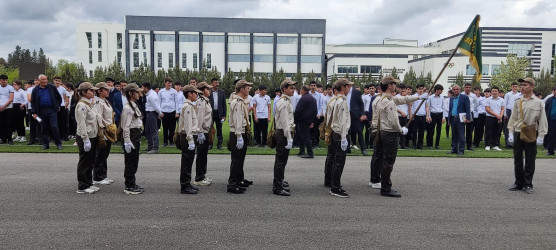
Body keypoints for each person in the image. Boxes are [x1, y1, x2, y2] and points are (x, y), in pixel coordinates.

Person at [372, 76, 420, 197]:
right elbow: (393, 120)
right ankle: (386, 188)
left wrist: (418, 97)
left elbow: (402, 99)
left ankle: (383, 184)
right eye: (394, 84)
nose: (396, 86)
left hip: (383, 132)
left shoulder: (382, 98)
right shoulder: (388, 101)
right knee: (388, 161)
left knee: (383, 159)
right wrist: (401, 130)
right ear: (389, 85)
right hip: (390, 133)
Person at [507, 78, 548, 194]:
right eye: (521, 85)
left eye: (525, 85)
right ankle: (518, 182)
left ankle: (528, 183)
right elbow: (513, 118)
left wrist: (541, 135)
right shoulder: (518, 101)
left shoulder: (538, 102)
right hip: (518, 131)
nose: (522, 87)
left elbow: (542, 120)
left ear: (532, 87)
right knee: (518, 158)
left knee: (530, 159)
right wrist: (510, 131)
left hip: (530, 132)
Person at [325, 78, 352, 198]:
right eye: (348, 86)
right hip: (340, 133)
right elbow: (342, 121)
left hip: (336, 132)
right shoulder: (341, 101)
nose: (349, 89)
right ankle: (335, 188)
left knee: (335, 160)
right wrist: (344, 137)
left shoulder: (337, 100)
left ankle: (334, 184)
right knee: (339, 161)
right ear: (342, 88)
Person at [74, 82, 101, 194]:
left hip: (92, 135)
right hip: (86, 136)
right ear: (84, 92)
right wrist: (85, 139)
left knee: (90, 161)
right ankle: (82, 185)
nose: (93, 92)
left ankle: (88, 182)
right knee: (84, 161)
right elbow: (82, 123)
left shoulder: (89, 104)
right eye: (91, 91)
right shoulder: (81, 105)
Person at [227, 80, 254, 194]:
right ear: (242, 89)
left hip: (240, 132)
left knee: (239, 160)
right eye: (247, 88)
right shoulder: (237, 102)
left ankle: (238, 181)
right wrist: (239, 136)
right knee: (236, 160)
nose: (249, 90)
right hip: (237, 132)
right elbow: (238, 121)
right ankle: (232, 184)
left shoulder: (240, 101)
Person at [177, 85, 203, 194]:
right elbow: (187, 125)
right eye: (195, 93)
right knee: (187, 161)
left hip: (190, 136)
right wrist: (190, 139)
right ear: (189, 94)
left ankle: (187, 182)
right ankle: (184, 185)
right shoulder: (188, 106)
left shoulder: (190, 106)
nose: (196, 95)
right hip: (188, 136)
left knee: (189, 161)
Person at [272, 80, 296, 196]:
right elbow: (285, 122)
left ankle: (280, 181)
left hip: (283, 133)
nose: (293, 90)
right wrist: (289, 137)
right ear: (284, 89)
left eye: (293, 88)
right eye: (291, 88)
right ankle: (277, 187)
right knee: (281, 161)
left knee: (282, 160)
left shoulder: (286, 101)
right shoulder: (284, 103)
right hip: (283, 133)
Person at [121, 83, 145, 195]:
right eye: (137, 92)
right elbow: (125, 126)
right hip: (131, 134)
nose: (139, 94)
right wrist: (127, 141)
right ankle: (129, 185)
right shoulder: (127, 108)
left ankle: (132, 182)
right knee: (130, 161)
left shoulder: (133, 105)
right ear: (130, 93)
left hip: (135, 134)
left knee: (134, 160)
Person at [31, 74, 63, 150]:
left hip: (52, 110)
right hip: (41, 111)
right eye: (43, 79)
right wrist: (34, 112)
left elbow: (58, 97)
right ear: (39, 81)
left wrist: (57, 105)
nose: (45, 81)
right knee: (44, 128)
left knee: (54, 126)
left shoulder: (52, 87)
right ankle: (46, 144)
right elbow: (33, 102)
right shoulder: (35, 90)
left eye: (46, 79)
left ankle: (58, 143)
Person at [93, 82, 115, 185]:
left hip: (109, 129)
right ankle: (97, 177)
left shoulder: (105, 101)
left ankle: (103, 175)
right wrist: (102, 132)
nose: (108, 91)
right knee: (101, 154)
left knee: (105, 154)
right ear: (99, 91)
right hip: (104, 130)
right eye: (105, 90)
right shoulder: (98, 102)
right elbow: (99, 118)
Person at [193, 82, 213, 186]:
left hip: (206, 131)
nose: (209, 91)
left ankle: (202, 175)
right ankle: (199, 177)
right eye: (207, 89)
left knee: (204, 154)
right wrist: (200, 131)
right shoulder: (200, 101)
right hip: (202, 131)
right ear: (202, 91)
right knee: (201, 154)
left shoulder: (205, 100)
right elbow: (200, 117)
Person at [294, 85, 317, 158]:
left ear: (303, 90)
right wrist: (312, 121)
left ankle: (310, 152)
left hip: (302, 120)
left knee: (305, 136)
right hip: (309, 120)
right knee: (302, 136)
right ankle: (302, 150)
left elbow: (298, 110)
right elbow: (315, 111)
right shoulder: (313, 99)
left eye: (301, 90)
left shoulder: (303, 98)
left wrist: (295, 118)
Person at [447, 84, 471, 155]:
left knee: (461, 135)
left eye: (457, 89)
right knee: (454, 135)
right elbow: (450, 109)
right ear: (452, 90)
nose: (455, 91)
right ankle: (454, 149)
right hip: (453, 118)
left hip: (461, 118)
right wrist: (449, 119)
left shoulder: (464, 97)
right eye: (454, 89)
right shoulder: (451, 98)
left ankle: (461, 150)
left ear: (459, 90)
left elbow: (468, 108)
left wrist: (468, 118)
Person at [158, 77, 180, 147]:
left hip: (172, 111)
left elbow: (177, 102)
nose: (169, 84)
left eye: (170, 83)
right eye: (168, 83)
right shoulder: (161, 92)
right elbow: (159, 102)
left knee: (172, 128)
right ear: (165, 83)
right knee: (165, 128)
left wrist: (177, 112)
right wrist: (159, 112)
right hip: (164, 111)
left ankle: (171, 141)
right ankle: (165, 142)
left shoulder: (174, 91)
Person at [349, 81, 367, 155]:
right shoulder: (342, 91)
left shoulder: (356, 92)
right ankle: (347, 148)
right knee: (346, 132)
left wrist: (362, 114)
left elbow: (361, 104)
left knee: (359, 132)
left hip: (355, 115)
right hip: (346, 114)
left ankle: (363, 148)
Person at [484, 86, 505, 151]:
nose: (494, 92)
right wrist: (496, 115)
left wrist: (500, 116)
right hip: (490, 117)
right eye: (493, 91)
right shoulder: (488, 100)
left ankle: (495, 145)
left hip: (498, 118)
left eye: (496, 91)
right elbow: (487, 109)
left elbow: (503, 109)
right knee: (488, 131)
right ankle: (487, 145)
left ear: (498, 92)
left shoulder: (502, 100)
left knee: (497, 132)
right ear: (491, 92)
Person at [143, 82, 161, 154]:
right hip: (149, 113)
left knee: (153, 130)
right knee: (148, 130)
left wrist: (160, 112)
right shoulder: (150, 94)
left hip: (152, 113)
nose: (142, 89)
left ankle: (155, 147)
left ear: (146, 88)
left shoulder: (151, 95)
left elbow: (155, 105)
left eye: (142, 87)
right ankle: (150, 146)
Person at [209, 78, 226, 150]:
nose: (217, 84)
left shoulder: (222, 92)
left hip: (219, 114)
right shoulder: (208, 92)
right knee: (210, 129)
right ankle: (210, 144)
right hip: (211, 114)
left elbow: (224, 105)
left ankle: (219, 144)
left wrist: (224, 115)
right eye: (215, 82)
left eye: (218, 82)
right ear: (211, 83)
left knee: (219, 129)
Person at [426, 84, 445, 149]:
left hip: (440, 114)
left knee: (439, 130)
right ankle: (430, 144)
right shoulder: (430, 97)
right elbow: (428, 107)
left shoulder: (442, 98)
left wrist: (443, 117)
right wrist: (428, 116)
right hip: (433, 114)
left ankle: (437, 144)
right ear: (437, 90)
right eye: (441, 90)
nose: (441, 91)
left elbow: (443, 107)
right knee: (431, 130)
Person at [410, 84, 428, 149]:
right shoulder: (414, 96)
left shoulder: (425, 97)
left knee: (422, 131)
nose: (420, 90)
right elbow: (411, 106)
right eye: (419, 89)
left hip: (422, 115)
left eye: (422, 89)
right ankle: (414, 144)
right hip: (416, 115)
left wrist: (427, 115)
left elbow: (426, 106)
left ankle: (420, 144)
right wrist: (412, 115)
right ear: (417, 89)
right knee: (414, 131)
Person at [53, 76, 70, 141]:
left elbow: (66, 98)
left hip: (61, 107)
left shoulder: (63, 89)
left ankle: (63, 137)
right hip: (53, 107)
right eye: (56, 80)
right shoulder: (50, 88)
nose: (57, 82)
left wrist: (65, 106)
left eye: (59, 81)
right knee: (54, 123)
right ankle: (55, 136)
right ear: (53, 81)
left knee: (63, 123)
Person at [463, 83, 479, 150]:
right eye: (467, 87)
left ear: (471, 88)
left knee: (469, 130)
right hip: (463, 114)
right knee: (461, 130)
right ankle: (461, 144)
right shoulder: (461, 95)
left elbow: (476, 104)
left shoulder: (473, 96)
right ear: (464, 88)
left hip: (470, 113)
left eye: (469, 87)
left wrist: (471, 109)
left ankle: (469, 146)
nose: (468, 89)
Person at [26, 78, 41, 145]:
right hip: (31, 109)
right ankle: (32, 140)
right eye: (35, 80)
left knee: (40, 124)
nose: (36, 81)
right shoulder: (30, 89)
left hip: (40, 109)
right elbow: (29, 99)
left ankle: (40, 139)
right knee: (32, 124)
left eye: (38, 80)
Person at [0, 74, 14, 145]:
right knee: (1, 124)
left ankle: (10, 139)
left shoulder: (10, 88)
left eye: (6, 80)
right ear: (0, 81)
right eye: (3, 80)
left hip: (8, 108)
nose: (5, 81)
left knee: (8, 124)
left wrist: (4, 106)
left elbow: (11, 99)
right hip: (0, 108)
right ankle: (3, 139)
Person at [309, 81, 323, 148]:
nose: (313, 87)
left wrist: (319, 114)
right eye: (312, 85)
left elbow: (320, 105)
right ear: (310, 86)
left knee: (315, 129)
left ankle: (315, 143)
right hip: (308, 115)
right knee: (309, 129)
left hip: (316, 114)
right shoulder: (307, 94)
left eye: (314, 85)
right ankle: (310, 142)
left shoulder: (319, 95)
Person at [544, 86, 556, 155]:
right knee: (551, 136)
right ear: (554, 91)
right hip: (551, 120)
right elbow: (545, 108)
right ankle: (550, 151)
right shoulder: (550, 100)